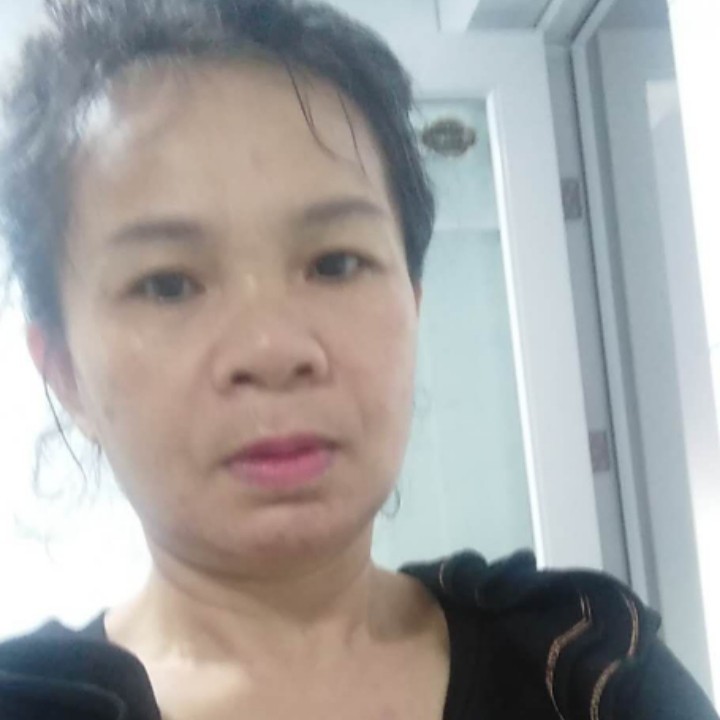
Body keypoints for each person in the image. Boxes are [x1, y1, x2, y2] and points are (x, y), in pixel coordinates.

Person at [0, 1, 716, 719]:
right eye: (167, 284)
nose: (274, 350)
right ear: (64, 372)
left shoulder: (587, 668)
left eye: (335, 263)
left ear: (412, 304)